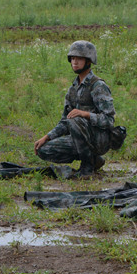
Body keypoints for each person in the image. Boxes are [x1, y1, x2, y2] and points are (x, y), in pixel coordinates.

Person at [34, 40, 122, 178]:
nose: (75, 62)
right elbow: (65, 121)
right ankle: (93, 160)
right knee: (43, 149)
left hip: (99, 139)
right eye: (73, 58)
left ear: (89, 61)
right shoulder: (72, 89)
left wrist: (85, 114)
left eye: (79, 58)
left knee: (75, 118)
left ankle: (87, 168)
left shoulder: (98, 86)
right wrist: (47, 137)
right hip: (78, 138)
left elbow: (109, 120)